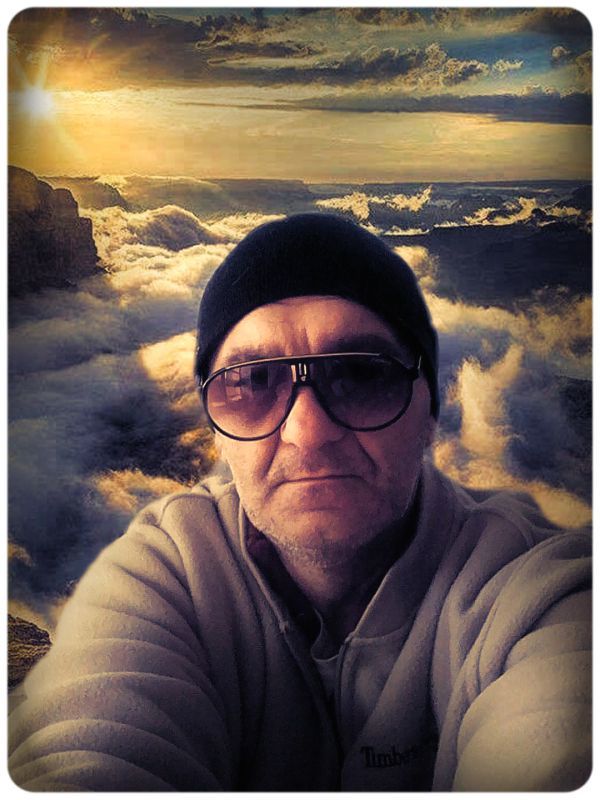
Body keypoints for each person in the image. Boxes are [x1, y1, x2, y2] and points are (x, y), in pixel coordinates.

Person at [9, 213, 591, 791]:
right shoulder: (162, 579)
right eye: (253, 382)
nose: (307, 432)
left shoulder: (536, 595)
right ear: (215, 430)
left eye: (362, 375)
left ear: (428, 409)